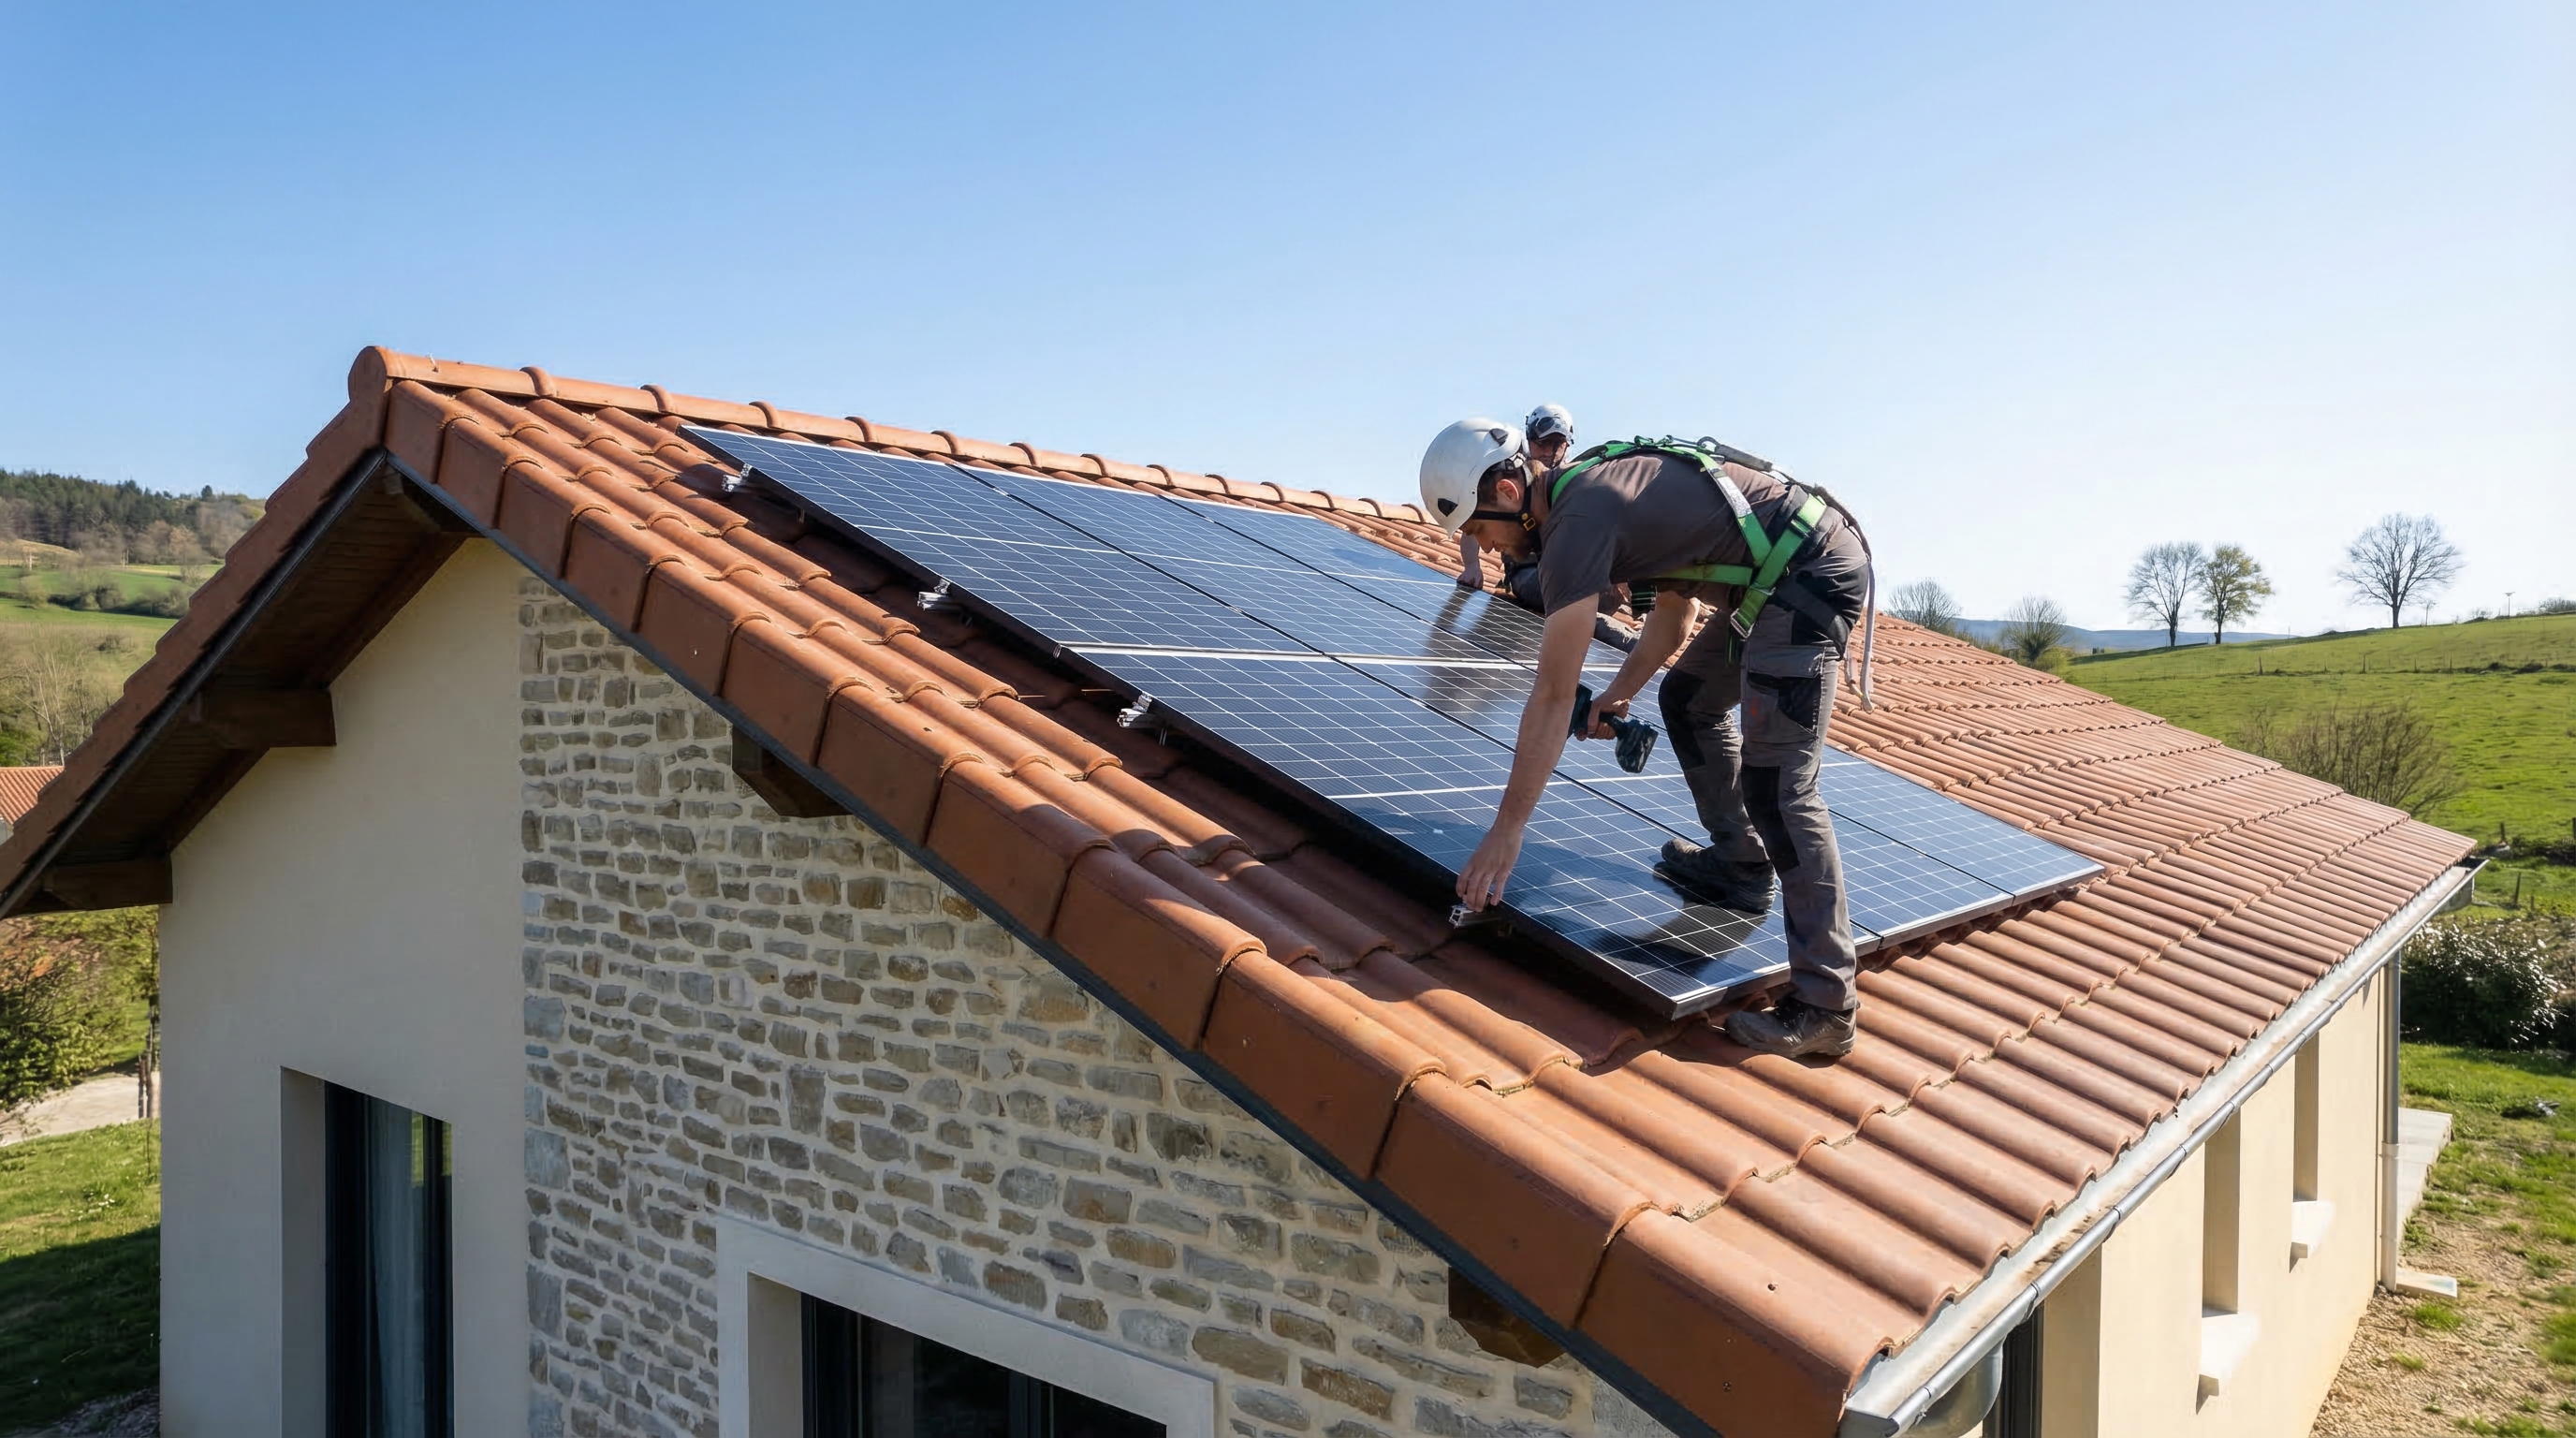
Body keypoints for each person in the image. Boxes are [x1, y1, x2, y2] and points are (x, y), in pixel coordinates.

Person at [1418, 419, 1872, 1059]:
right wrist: (1620, 693)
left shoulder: (1577, 522)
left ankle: (1827, 1004)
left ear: (1509, 493)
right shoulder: (1591, 496)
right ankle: (1742, 865)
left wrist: (1507, 828)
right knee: (1686, 700)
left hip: (1808, 575)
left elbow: (1551, 695)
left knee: (1779, 786)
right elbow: (1674, 620)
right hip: (1775, 576)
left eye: (1478, 530)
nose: (1486, 549)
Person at [1454, 405, 1638, 652]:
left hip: (1586, 580)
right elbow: (1477, 525)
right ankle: (1620, 637)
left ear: (1567, 445)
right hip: (1531, 576)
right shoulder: (1513, 480)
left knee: (1572, 591)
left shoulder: (1575, 484)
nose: (1549, 451)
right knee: (1564, 598)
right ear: (1529, 441)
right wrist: (1472, 566)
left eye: (1557, 443)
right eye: (1542, 443)